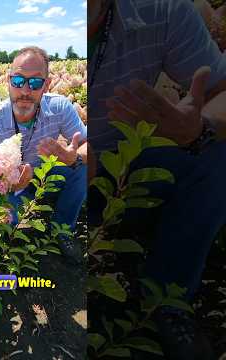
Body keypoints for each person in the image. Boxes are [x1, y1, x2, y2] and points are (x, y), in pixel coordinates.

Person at [87, 0, 226, 359]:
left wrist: (200, 127)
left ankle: (166, 298)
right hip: (45, 177)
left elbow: (222, 90)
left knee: (216, 156)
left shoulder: (162, 11)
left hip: (119, 173)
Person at [0, 46, 88, 262]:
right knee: (3, 224)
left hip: (45, 175)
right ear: (8, 81)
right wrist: (14, 184)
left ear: (46, 85)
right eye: (18, 81)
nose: (26, 90)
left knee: (82, 167)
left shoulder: (60, 108)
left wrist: (72, 158)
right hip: (12, 186)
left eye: (35, 82)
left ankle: (62, 229)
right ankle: (3, 254)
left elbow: (87, 144)